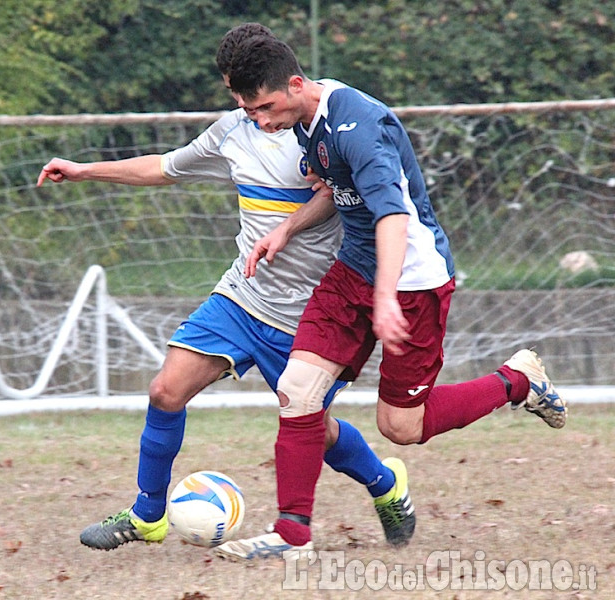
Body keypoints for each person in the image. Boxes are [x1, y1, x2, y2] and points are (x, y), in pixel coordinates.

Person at [36, 24, 416, 559]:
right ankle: (147, 515)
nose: (252, 114)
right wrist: (83, 171)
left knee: (317, 430)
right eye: (240, 101)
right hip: (244, 294)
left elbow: (353, 196)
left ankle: (385, 483)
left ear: (288, 86)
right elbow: (165, 167)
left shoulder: (327, 126)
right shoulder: (234, 131)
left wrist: (304, 216)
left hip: (311, 310)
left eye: (257, 103)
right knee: (165, 390)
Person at [216, 31, 569, 558]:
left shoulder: (360, 127)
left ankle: (519, 380)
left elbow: (394, 216)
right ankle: (292, 536)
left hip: (412, 282)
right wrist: (286, 230)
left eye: (265, 107)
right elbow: (337, 193)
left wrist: (384, 297)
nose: (261, 122)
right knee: (298, 391)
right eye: (249, 111)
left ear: (295, 83)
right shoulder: (304, 119)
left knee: (402, 427)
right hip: (353, 269)